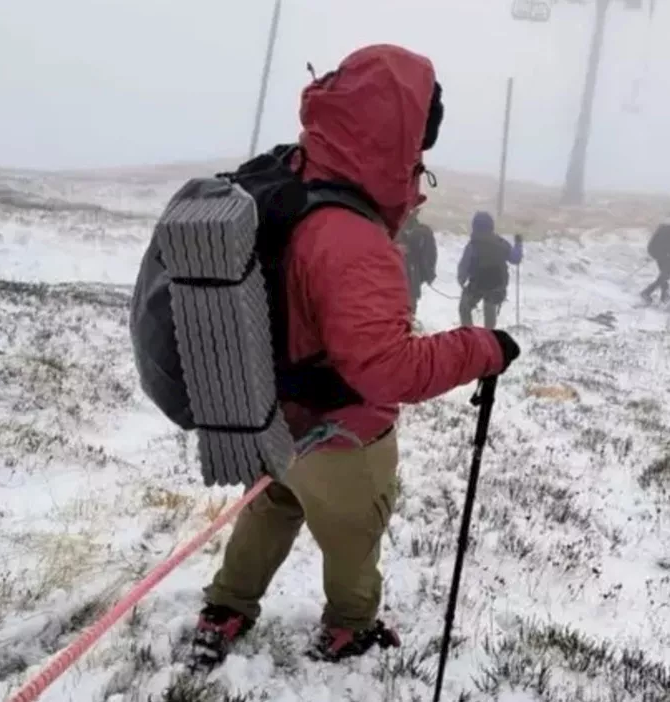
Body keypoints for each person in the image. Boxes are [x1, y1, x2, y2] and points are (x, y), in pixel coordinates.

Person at [192, 44, 521, 670]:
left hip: (271, 417)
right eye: (418, 146)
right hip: (343, 434)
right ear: (398, 141)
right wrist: (484, 347)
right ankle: (350, 625)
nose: (420, 161)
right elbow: (385, 368)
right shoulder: (351, 237)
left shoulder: (288, 178)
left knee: (273, 505)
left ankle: (227, 605)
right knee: (352, 533)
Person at [456, 211, 523, 328]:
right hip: (497, 286)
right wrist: (518, 244)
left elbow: (464, 267)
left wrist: (461, 281)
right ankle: (489, 336)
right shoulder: (500, 243)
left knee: (464, 308)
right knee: (490, 308)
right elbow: (515, 259)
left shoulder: (473, 245)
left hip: (477, 286)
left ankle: (469, 334)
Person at [641, 213, 670, 303]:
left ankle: (664, 295)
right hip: (666, 257)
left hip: (660, 255)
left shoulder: (665, 229)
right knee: (665, 276)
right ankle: (647, 292)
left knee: (664, 276)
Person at [397, 209, 438, 314]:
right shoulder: (423, 230)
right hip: (410, 276)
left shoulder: (421, 231)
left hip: (408, 275)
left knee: (407, 305)